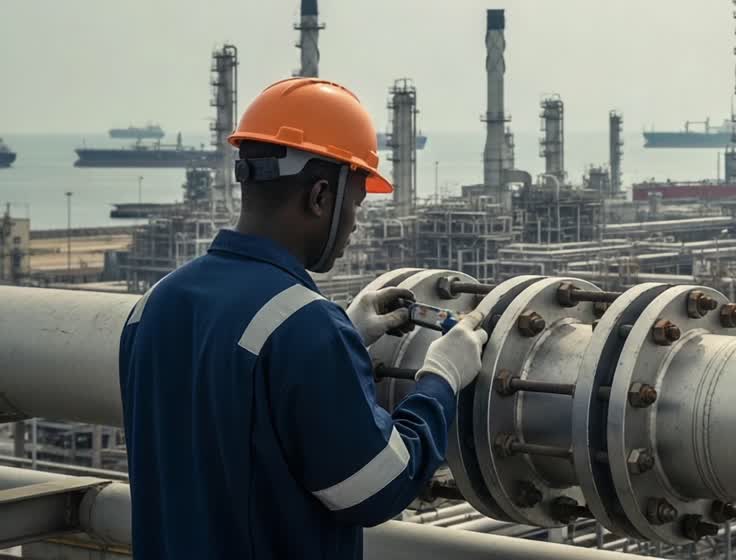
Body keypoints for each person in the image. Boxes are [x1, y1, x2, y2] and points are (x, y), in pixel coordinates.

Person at [118, 77, 488, 559]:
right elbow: (380, 486)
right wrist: (442, 377)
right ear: (319, 197)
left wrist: (346, 335)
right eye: (355, 202)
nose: (356, 222)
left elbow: (234, 413)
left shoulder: (153, 305)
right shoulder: (303, 328)